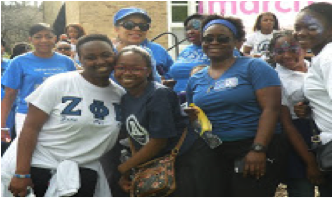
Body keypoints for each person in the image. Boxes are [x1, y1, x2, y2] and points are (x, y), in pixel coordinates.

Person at [1, 34, 125, 198]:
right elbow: (30, 128)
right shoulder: (59, 83)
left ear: (114, 55)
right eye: (90, 57)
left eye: (105, 55)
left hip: (85, 170)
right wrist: (21, 174)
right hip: (41, 167)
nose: (100, 61)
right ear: (79, 59)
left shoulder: (119, 95)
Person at [186, 15, 285, 197]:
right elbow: (196, 117)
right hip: (213, 151)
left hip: (251, 147)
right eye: (208, 38)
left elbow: (271, 109)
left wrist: (258, 149)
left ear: (237, 42)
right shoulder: (195, 79)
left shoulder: (254, 67)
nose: (214, 42)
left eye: (222, 38)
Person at [113, 45, 221, 197]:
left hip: (185, 162)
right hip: (156, 164)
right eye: (121, 67)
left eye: (136, 68)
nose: (127, 73)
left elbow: (158, 141)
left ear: (148, 70)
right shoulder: (126, 98)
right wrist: (130, 170)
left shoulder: (158, 94)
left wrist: (121, 169)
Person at [1, 23, 76, 141]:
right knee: (29, 153)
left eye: (48, 36)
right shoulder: (19, 62)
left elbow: (73, 90)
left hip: (59, 115)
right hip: (27, 115)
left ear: (55, 39)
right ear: (30, 39)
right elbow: (9, 95)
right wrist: (2, 125)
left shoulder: (67, 62)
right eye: (38, 37)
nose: (44, 40)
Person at [270, 30, 323, 197]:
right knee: (302, 189)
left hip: (325, 135)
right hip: (298, 141)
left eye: (293, 49)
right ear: (272, 54)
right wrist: (310, 163)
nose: (286, 55)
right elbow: (287, 124)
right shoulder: (275, 78)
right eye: (279, 51)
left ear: (304, 48)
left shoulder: (317, 67)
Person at [294, 2, 332, 197]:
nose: (301, 33)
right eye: (297, 28)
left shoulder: (329, 57)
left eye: (311, 27)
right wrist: (313, 108)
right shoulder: (321, 57)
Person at [113, 7, 174, 80]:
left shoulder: (156, 50)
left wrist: (164, 80)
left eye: (143, 26)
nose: (137, 28)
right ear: (116, 29)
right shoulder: (108, 53)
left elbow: (173, 73)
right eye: (129, 25)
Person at [165, 14, 210, 94]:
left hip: (201, 97)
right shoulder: (185, 51)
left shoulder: (216, 49)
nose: (190, 32)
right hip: (178, 98)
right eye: (187, 29)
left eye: (196, 27)